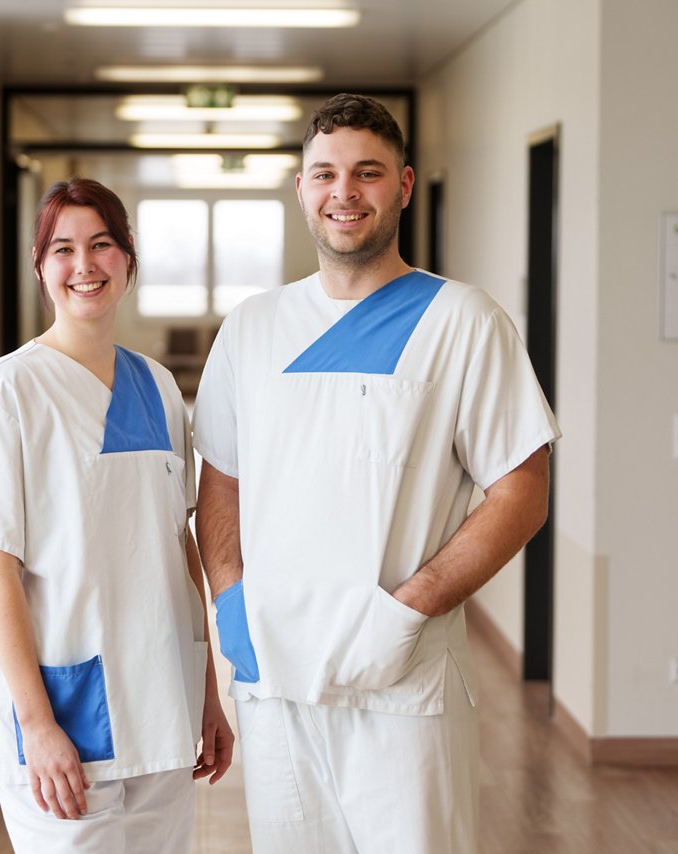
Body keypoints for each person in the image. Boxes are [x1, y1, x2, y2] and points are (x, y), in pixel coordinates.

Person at [192, 93, 560, 853]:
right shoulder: (253, 329)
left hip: (403, 679)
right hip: (275, 682)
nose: (344, 192)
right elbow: (220, 481)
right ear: (301, 188)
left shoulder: (462, 321)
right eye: (324, 173)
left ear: (404, 184)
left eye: (367, 172)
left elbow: (522, 494)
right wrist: (232, 609)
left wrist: (409, 610)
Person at [0, 178, 233, 853]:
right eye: (63, 249)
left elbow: (179, 548)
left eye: (102, 245)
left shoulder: (156, 386)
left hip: (163, 710)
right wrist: (35, 723)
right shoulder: (8, 390)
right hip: (65, 716)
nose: (84, 265)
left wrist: (208, 693)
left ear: (128, 261)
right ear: (40, 268)